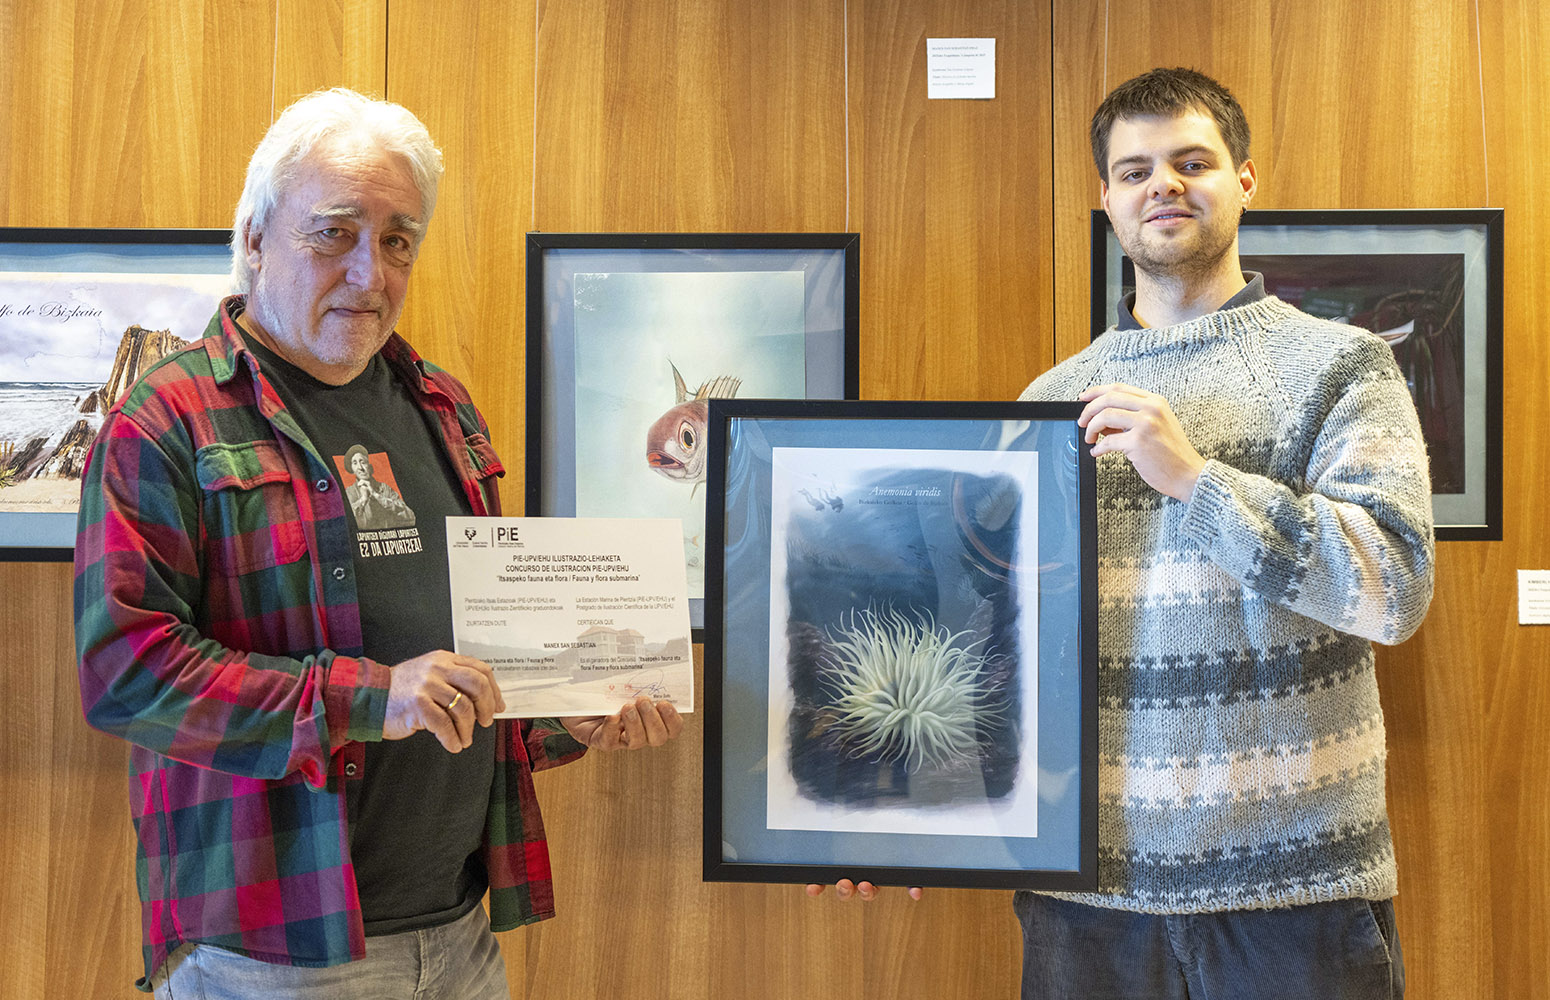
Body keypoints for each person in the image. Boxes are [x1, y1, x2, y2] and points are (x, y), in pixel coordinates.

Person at [812, 68, 1433, 1000]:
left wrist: (1195, 480)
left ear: (1246, 179)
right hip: (1084, 896)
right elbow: (990, 649)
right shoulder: (1050, 401)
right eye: (1135, 170)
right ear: (1106, 199)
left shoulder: (1339, 366)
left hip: (1293, 893)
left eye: (1192, 161)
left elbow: (1393, 588)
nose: (1164, 186)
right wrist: (904, 818)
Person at [73, 88, 683, 999]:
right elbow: (127, 674)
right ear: (253, 238)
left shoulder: (441, 404)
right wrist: (374, 697)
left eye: (398, 240)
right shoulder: (166, 421)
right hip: (271, 954)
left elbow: (479, 654)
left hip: (460, 933)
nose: (371, 272)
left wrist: (571, 710)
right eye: (335, 232)